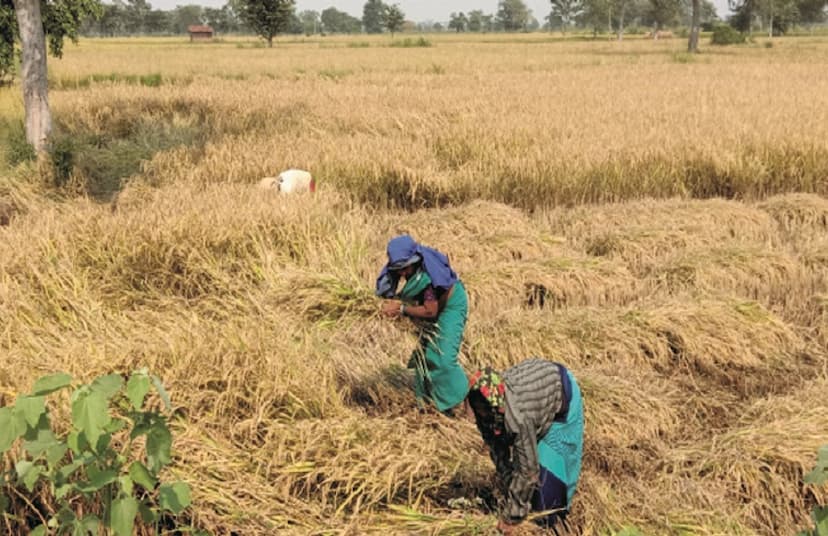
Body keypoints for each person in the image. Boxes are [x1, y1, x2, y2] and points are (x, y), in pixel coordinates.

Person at [467, 358, 584, 535]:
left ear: (497, 403)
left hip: (562, 401)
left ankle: (556, 524)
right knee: (523, 475)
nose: (481, 412)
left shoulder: (519, 416)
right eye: (478, 407)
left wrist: (511, 518)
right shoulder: (484, 407)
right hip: (536, 398)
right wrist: (509, 489)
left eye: (485, 407)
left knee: (545, 497)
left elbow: (528, 472)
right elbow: (499, 453)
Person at [376, 235, 469, 414]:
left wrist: (402, 309)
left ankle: (470, 397)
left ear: (414, 261)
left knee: (442, 359)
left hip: (450, 307)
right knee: (424, 359)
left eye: (405, 268)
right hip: (432, 306)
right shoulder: (405, 267)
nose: (402, 273)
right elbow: (388, 291)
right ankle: (433, 407)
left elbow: (430, 311)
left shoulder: (427, 276)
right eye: (398, 270)